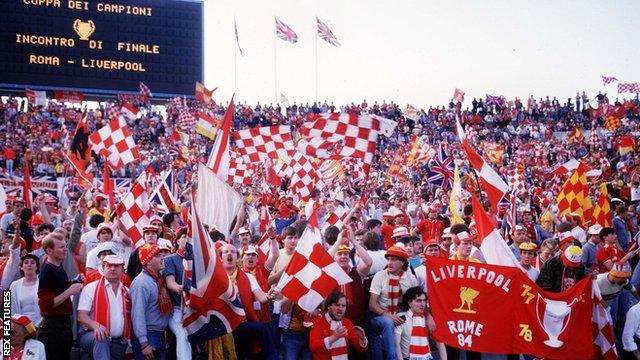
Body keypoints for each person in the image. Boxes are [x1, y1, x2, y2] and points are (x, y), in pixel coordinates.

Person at [37, 231, 83, 360]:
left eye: (65, 245)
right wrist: (70, 291)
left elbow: (58, 288)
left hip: (63, 325)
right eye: (61, 247)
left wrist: (75, 281)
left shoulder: (57, 265)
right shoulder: (47, 271)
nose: (65, 250)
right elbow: (46, 305)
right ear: (49, 251)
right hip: (53, 329)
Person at [368, 245, 419, 360]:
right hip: (380, 316)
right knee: (388, 323)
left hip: (402, 315)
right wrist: (389, 316)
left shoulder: (410, 278)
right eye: (388, 259)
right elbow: (372, 304)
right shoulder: (380, 276)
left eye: (394, 259)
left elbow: (417, 302)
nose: (389, 263)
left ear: (402, 262)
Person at [77, 255, 131, 360]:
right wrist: (96, 326)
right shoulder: (91, 288)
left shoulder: (127, 292)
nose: (112, 268)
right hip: (91, 335)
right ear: (103, 268)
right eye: (109, 266)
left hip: (119, 340)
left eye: (116, 266)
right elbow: (81, 316)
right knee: (101, 338)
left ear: (123, 271)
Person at [130, 244, 172, 360]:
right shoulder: (141, 283)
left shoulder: (159, 280)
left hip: (158, 334)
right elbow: (137, 314)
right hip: (148, 337)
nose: (162, 257)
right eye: (157, 255)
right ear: (148, 261)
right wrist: (144, 344)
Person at [309, 291, 368, 359]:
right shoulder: (318, 321)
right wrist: (333, 338)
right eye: (337, 305)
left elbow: (361, 349)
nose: (340, 308)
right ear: (329, 306)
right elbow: (313, 346)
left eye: (343, 306)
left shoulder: (347, 323)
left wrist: (362, 339)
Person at [394, 287, 445, 360]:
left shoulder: (428, 319)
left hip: (427, 357)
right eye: (418, 301)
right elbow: (396, 344)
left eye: (424, 301)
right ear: (409, 303)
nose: (423, 304)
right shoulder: (401, 317)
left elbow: (440, 343)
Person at [163, 232, 192, 359]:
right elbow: (170, 283)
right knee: (183, 334)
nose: (188, 239)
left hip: (196, 309)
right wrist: (180, 289)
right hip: (177, 309)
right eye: (185, 236)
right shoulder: (170, 259)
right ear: (177, 241)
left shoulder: (200, 260)